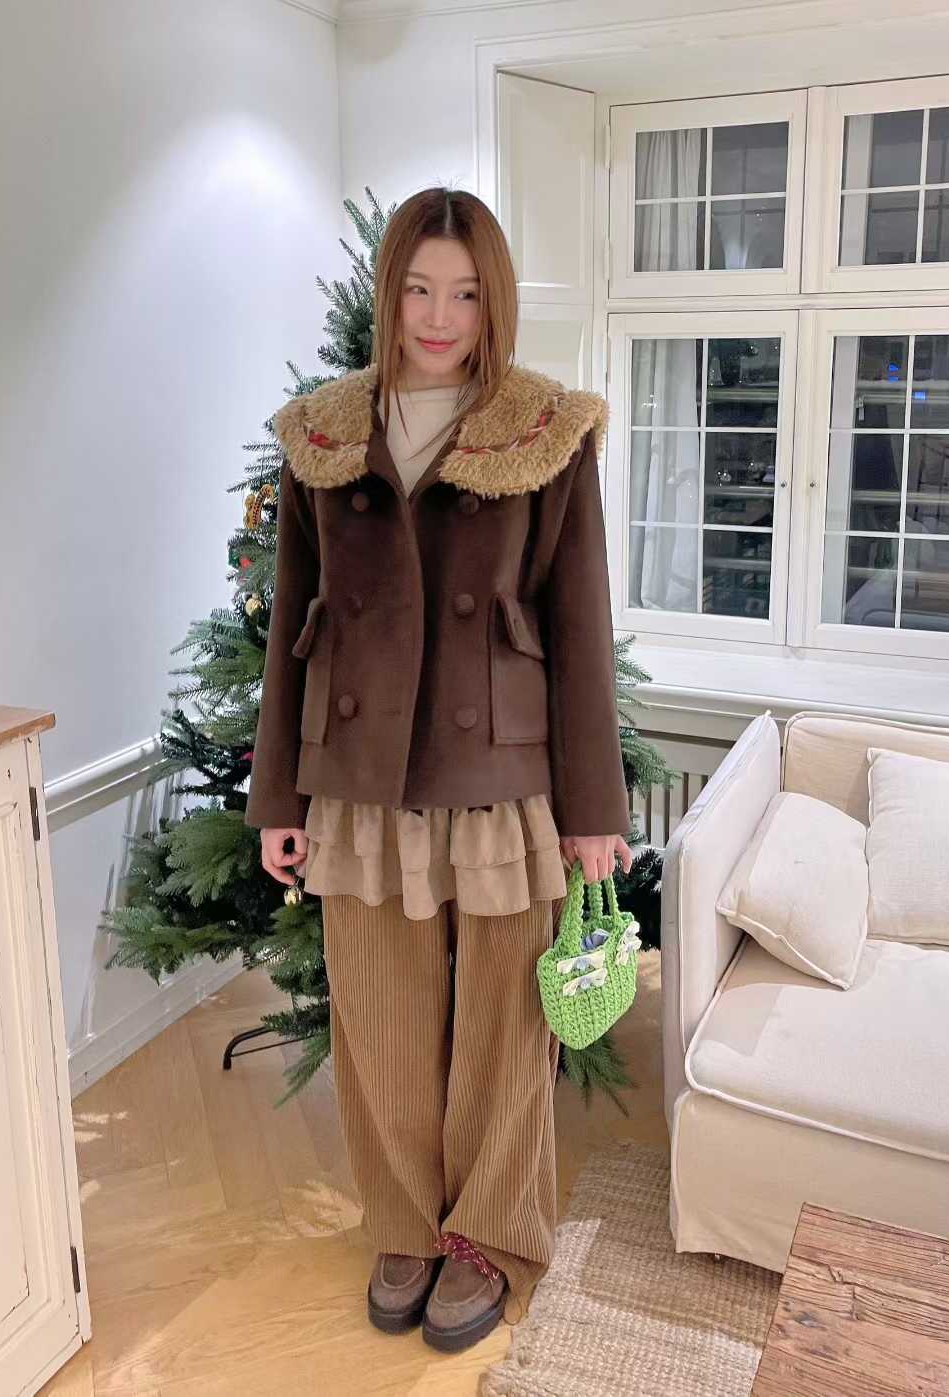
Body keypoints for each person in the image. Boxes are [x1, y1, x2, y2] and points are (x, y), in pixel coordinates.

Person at [244, 186, 632, 1353]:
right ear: (390, 291)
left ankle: (491, 1233)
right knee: (378, 1017)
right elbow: (291, 621)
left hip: (502, 773)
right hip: (358, 772)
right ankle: (406, 1223)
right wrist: (279, 796)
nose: (438, 315)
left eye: (463, 292)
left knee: (508, 1026)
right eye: (418, 288)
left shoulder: (545, 427)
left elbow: (579, 624)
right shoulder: (322, 432)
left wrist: (592, 810)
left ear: (492, 299)